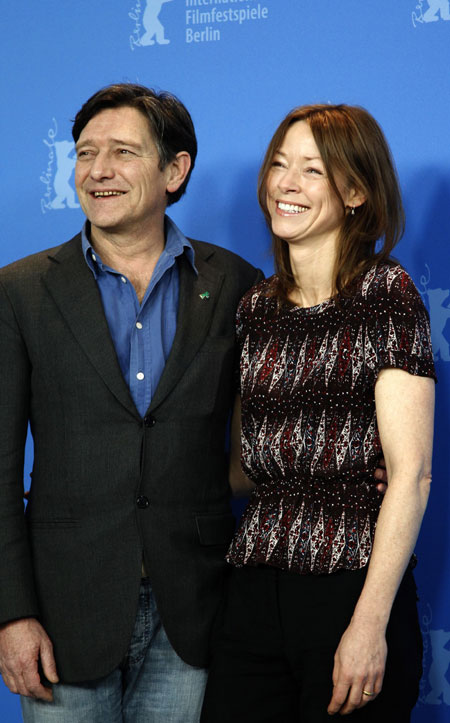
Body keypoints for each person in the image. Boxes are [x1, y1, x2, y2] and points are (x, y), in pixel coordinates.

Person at [0, 83, 262, 722]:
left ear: (176, 169)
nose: (99, 171)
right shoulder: (21, 290)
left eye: (123, 152)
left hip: (193, 608)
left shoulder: (235, 284)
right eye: (86, 153)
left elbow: (263, 435)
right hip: (65, 613)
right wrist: (13, 612)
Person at [201, 104, 436, 722]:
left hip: (349, 588)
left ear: (356, 191)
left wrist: (368, 625)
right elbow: (246, 468)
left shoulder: (385, 293)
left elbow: (410, 475)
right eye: (279, 165)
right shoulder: (256, 308)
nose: (286, 184)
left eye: (312, 170)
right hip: (252, 589)